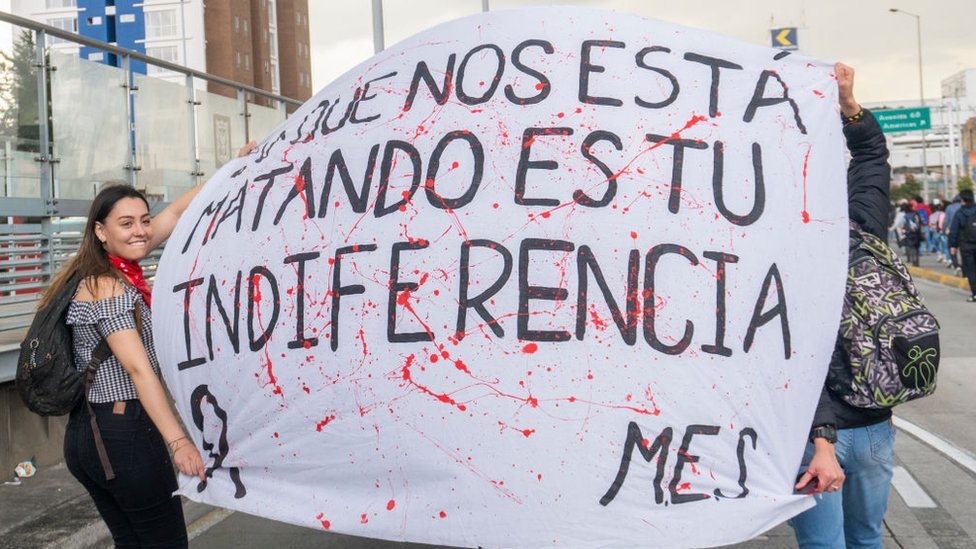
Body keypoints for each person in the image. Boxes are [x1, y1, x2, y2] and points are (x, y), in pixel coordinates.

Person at [39, 141, 256, 547]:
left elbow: (174, 213)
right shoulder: (108, 286)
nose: (140, 230)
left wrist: (231, 168)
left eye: (143, 220)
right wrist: (177, 443)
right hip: (124, 435)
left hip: (88, 435)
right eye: (126, 223)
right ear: (101, 231)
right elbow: (138, 370)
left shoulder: (106, 269)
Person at [789, 63, 896, 548]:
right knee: (866, 539)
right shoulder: (862, 229)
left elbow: (796, 360)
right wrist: (850, 105)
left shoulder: (776, 258)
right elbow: (873, 158)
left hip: (808, 433)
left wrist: (821, 442)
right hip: (873, 426)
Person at [948, 188, 976, 302]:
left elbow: (953, 231)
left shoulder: (959, 213)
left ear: (962, 199)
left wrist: (952, 245)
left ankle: (975, 294)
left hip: (966, 246)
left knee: (971, 270)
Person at [898, 202, 922, 266]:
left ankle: (913, 260)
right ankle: (916, 261)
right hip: (916, 233)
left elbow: (902, 224)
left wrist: (903, 232)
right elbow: (919, 223)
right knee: (916, 247)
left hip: (908, 233)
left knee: (911, 247)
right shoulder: (916, 214)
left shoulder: (905, 216)